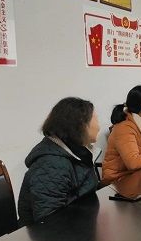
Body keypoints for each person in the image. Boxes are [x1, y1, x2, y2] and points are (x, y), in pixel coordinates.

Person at [17, 97, 100, 226]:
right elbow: (50, 222)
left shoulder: (78, 151)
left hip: (79, 221)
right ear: (81, 125)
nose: (99, 126)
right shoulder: (51, 165)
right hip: (51, 233)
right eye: (95, 119)